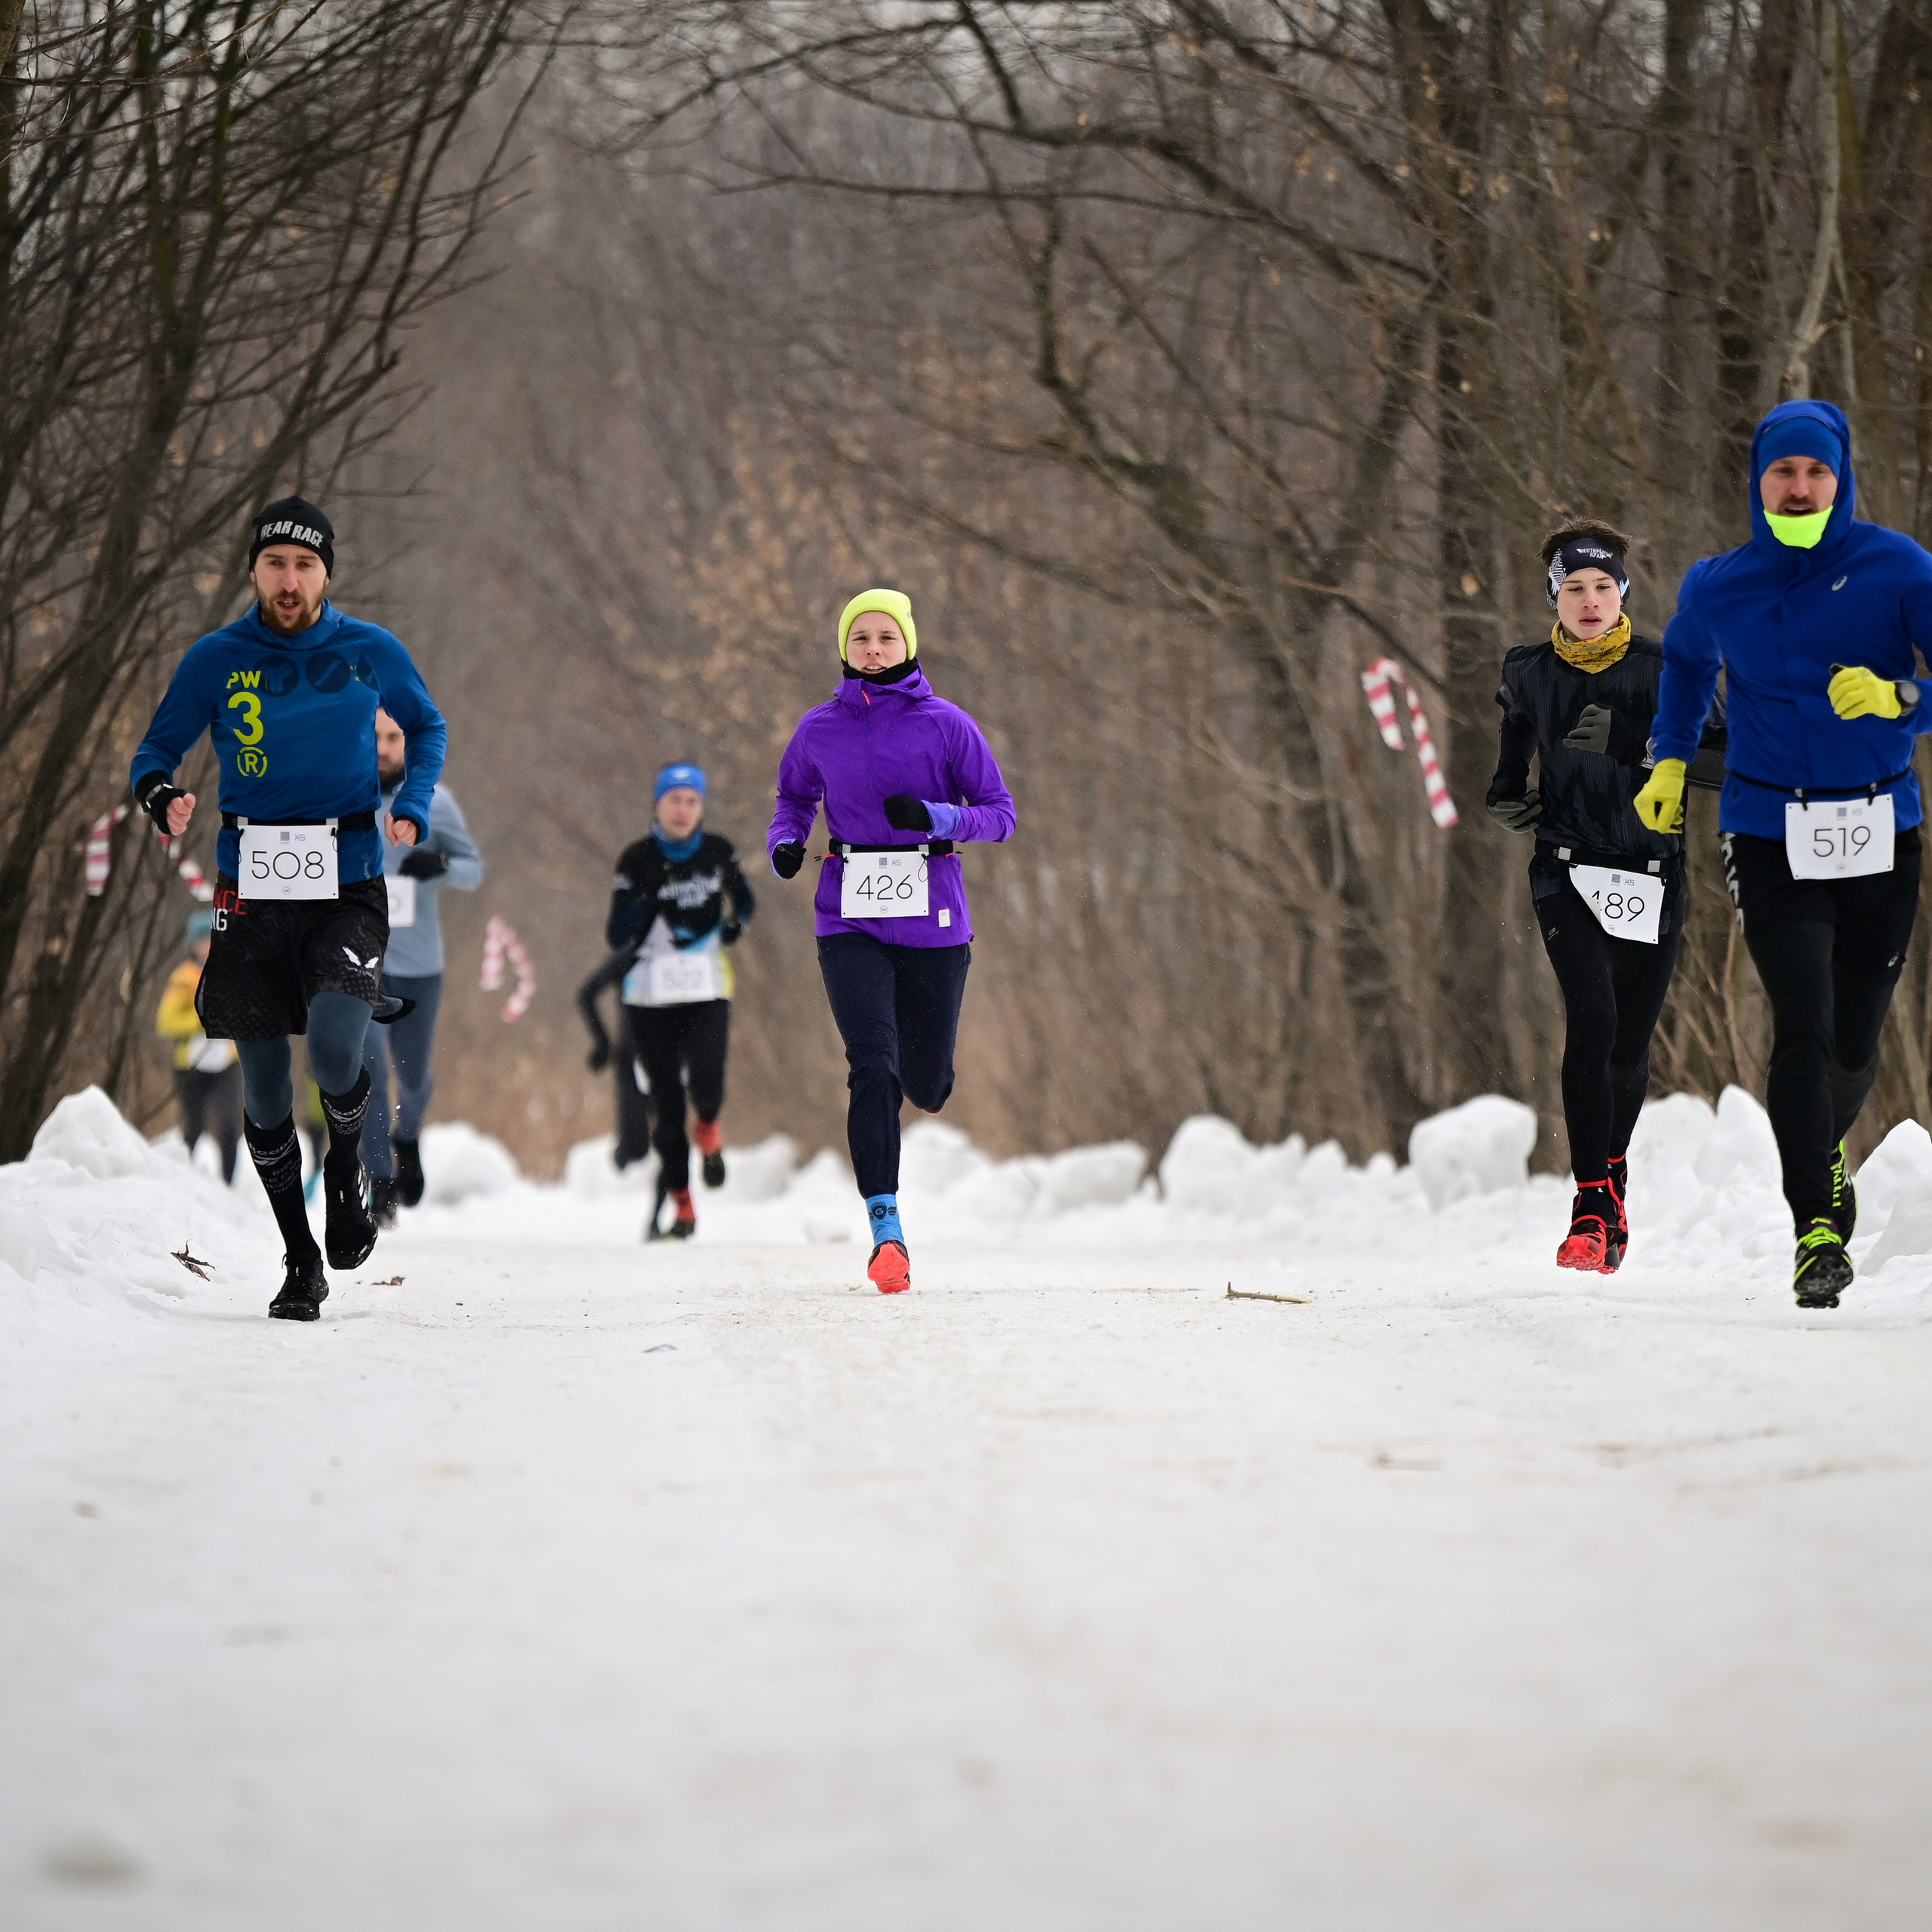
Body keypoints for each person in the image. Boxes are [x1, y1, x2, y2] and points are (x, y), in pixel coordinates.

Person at [1641, 399, 1932, 1309]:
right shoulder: (1717, 585)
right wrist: (1668, 759)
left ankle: (1822, 1152)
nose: (1799, 487)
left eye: (1815, 472)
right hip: (1768, 829)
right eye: (1783, 472)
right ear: (1757, 480)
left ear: (1840, 478)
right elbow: (1686, 667)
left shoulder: (1899, 567)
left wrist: (1897, 698)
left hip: (1881, 825)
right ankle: (1815, 1229)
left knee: (1853, 1039)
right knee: (1801, 1018)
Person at [128, 497, 447, 1321]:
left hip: (348, 883)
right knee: (266, 1086)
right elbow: (155, 751)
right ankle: (300, 1258)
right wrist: (162, 795)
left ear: (326, 574)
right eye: (276, 563)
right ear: (254, 571)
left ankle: (344, 1167)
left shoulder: (369, 649)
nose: (290, 580)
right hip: (251, 889)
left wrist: (413, 801)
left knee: (337, 1049)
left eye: (306, 565)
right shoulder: (217, 657)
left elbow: (428, 726)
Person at [1489, 521, 1725, 1273]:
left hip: (1651, 873)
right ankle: (1590, 1203)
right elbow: (1516, 735)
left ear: (1621, 592)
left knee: (1627, 1045)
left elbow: (1727, 761)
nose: (1588, 601)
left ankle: (1611, 1175)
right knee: (1592, 1019)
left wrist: (1633, 740)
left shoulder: (1667, 669)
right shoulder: (1529, 671)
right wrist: (1506, 791)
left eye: (1601, 586)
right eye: (1573, 588)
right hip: (1565, 869)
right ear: (1553, 597)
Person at [768, 589, 1016, 1293]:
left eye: (886, 637)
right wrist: (786, 841)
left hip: (934, 920)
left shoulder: (948, 725)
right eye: (861, 638)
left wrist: (939, 817)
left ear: (907, 643)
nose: (873, 649)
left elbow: (1000, 814)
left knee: (926, 1084)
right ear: (844, 648)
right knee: (872, 1063)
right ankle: (887, 1233)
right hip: (848, 917)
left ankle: (918, 1082)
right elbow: (794, 798)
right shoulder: (819, 728)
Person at [607, 763, 756, 1240]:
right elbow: (615, 935)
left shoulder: (718, 851)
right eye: (674, 799)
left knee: (708, 1085)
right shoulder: (636, 858)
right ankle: (684, 1208)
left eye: (692, 801)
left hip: (707, 988)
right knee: (667, 1107)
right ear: (657, 804)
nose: (682, 810)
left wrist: (735, 926)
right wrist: (645, 898)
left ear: (702, 807)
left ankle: (709, 1129)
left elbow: (745, 901)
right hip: (649, 996)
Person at [361, 706, 485, 1225]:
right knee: (368, 1066)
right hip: (359, 961)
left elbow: (474, 871)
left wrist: (441, 865)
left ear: (409, 743)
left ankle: (407, 1134)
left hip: (419, 966)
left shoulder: (436, 802)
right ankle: (379, 1179)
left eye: (394, 737)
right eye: (375, 737)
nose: (383, 748)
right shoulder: (342, 799)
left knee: (412, 1076)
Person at [155, 909, 243, 1183]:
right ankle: (184, 1181)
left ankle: (228, 1185)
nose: (208, 946)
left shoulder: (234, 974)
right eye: (203, 940)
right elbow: (166, 1022)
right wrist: (204, 1019)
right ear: (193, 945)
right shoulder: (182, 978)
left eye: (213, 939)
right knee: (193, 1126)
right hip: (191, 1065)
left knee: (229, 1124)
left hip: (227, 1063)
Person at [577, 946, 656, 1171]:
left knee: (643, 1147)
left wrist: (603, 1044)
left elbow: (586, 995)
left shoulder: (629, 953)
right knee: (646, 1147)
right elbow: (586, 995)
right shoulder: (674, 951)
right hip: (655, 1057)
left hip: (637, 1056)